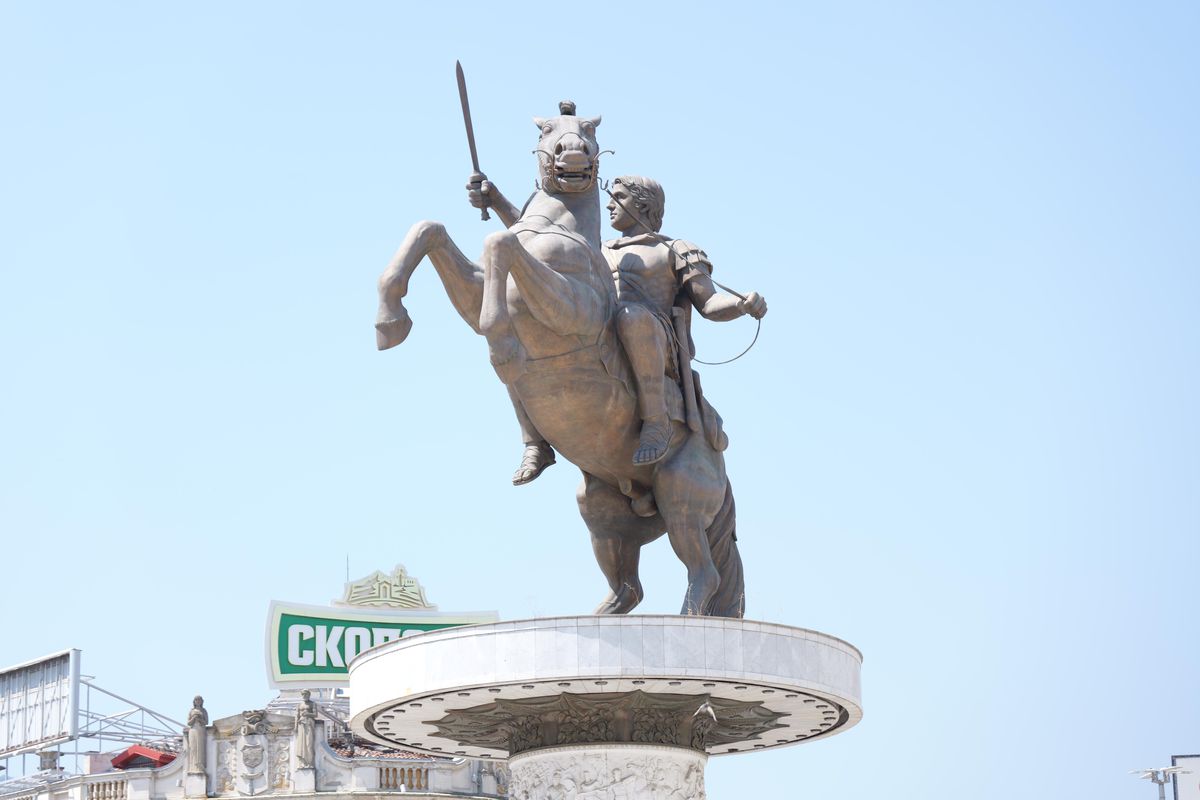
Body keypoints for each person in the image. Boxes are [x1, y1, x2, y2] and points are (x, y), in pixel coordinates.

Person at [468, 171, 766, 477]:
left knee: (631, 316)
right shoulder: (598, 249)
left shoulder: (675, 248)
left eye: (619, 198)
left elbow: (710, 304)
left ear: (644, 205)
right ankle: (535, 439)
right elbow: (536, 239)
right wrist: (497, 201)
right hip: (602, 329)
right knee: (522, 328)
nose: (609, 205)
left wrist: (742, 304)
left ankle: (656, 421)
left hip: (652, 339)